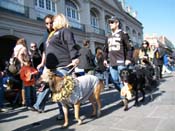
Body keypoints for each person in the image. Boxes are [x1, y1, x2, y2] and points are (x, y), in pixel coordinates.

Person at [45, 13, 80, 119]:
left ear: (60, 21)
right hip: (53, 67)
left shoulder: (65, 31)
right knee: (57, 91)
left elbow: (71, 44)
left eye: (54, 21)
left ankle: (73, 109)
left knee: (66, 90)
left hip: (63, 65)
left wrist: (74, 58)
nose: (52, 23)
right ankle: (63, 112)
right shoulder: (52, 34)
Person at [31, 14, 54, 114]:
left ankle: (64, 112)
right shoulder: (46, 35)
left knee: (55, 86)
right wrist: (42, 63)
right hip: (49, 64)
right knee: (46, 84)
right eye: (47, 23)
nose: (49, 25)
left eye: (51, 23)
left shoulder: (58, 32)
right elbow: (45, 51)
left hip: (60, 63)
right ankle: (39, 105)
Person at [103, 16, 131, 93]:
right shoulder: (108, 36)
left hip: (121, 61)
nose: (110, 24)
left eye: (112, 22)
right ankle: (124, 91)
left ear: (117, 23)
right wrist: (105, 59)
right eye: (109, 22)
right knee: (114, 81)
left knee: (123, 80)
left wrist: (128, 59)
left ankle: (124, 97)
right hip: (112, 62)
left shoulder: (123, 34)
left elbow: (129, 48)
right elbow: (105, 49)